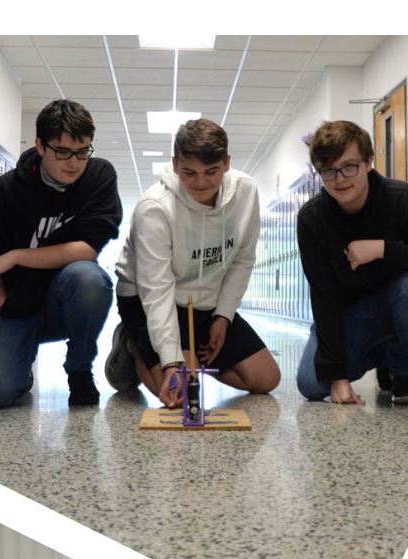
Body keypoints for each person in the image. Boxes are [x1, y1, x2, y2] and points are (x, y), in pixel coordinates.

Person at [107, 119, 279, 406]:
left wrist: (223, 317)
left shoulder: (246, 193)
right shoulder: (155, 209)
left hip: (205, 301)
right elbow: (156, 290)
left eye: (211, 171)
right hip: (147, 299)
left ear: (226, 163)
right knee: (180, 395)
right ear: (175, 165)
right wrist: (172, 363)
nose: (200, 182)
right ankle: (131, 342)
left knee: (265, 379)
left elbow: (242, 260)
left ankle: (192, 362)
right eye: (189, 172)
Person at [296, 120, 408, 404]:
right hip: (354, 315)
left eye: (350, 166)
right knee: (311, 384)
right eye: (328, 170)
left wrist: (384, 249)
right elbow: (324, 298)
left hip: (404, 297)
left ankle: (403, 371)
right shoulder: (312, 219)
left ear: (369, 162)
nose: (340, 179)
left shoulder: (403, 199)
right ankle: (384, 355)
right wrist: (337, 377)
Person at [0, 100, 122, 409]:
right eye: (63, 152)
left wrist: (15, 255)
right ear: (40, 146)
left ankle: (79, 370)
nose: (74, 162)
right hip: (15, 302)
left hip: (65, 300)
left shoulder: (99, 177)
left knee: (90, 278)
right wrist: (4, 304)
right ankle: (20, 361)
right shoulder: (4, 192)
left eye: (82, 151)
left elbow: (86, 251)